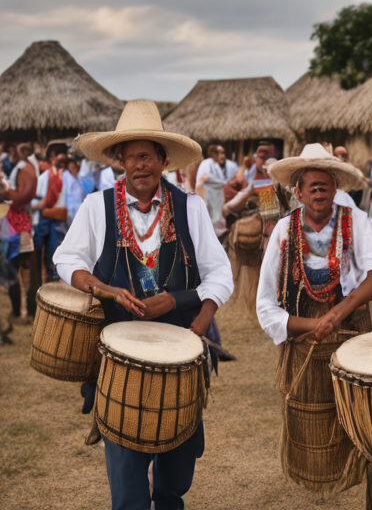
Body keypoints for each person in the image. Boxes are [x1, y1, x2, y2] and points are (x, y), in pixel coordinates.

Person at [53, 99, 233, 510]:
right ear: (119, 160)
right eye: (132, 157)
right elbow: (66, 259)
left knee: (174, 478)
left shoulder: (191, 208)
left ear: (163, 160)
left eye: (148, 156)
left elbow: (221, 275)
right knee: (128, 483)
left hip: (181, 355)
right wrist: (106, 290)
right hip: (119, 363)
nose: (140, 166)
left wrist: (198, 322)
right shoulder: (96, 208)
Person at [256, 143, 372, 491]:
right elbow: (266, 306)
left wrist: (340, 311)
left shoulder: (354, 221)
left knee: (357, 412)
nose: (318, 189)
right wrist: (312, 325)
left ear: (335, 188)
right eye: (309, 184)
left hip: (351, 338)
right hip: (303, 344)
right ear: (297, 191)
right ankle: (317, 473)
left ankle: (358, 468)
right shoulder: (284, 232)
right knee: (311, 416)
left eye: (325, 183)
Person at [0, 143, 38, 327]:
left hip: (14, 228)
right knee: (17, 270)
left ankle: (19, 311)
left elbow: (20, 196)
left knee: (15, 270)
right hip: (15, 226)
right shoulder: (27, 168)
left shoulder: (25, 169)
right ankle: (20, 310)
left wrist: (8, 192)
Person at [31, 147, 68, 284]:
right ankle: (39, 281)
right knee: (38, 249)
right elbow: (35, 201)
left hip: (59, 218)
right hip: (44, 217)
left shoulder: (67, 176)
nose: (63, 161)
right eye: (60, 157)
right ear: (52, 157)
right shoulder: (43, 178)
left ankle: (51, 280)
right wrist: (44, 203)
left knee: (54, 250)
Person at [63, 158, 85, 224]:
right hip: (70, 209)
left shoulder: (79, 178)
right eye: (71, 168)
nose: (74, 169)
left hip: (79, 207)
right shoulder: (66, 177)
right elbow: (64, 195)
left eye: (74, 167)